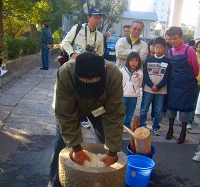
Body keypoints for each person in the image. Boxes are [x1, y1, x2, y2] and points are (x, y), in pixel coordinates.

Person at [48, 52, 125, 187]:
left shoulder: (113, 75)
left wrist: (112, 151)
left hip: (100, 107)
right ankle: (55, 183)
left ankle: (102, 181)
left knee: (108, 140)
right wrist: (76, 147)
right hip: (72, 105)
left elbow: (114, 115)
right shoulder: (66, 73)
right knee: (62, 142)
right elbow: (65, 114)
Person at [61, 6, 104, 128]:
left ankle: (86, 114)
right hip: (75, 67)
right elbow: (65, 42)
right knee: (73, 91)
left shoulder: (100, 36)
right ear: (88, 17)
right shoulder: (78, 28)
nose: (98, 20)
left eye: (99, 18)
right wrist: (73, 54)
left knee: (88, 92)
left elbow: (100, 54)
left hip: (90, 71)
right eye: (95, 17)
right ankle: (77, 116)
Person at [165, 26, 199, 144]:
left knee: (185, 109)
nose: (173, 41)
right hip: (174, 84)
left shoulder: (189, 50)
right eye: (170, 39)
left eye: (175, 38)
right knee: (171, 107)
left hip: (187, 85)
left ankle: (183, 132)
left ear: (181, 37)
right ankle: (170, 129)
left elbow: (196, 70)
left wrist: (187, 79)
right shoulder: (170, 51)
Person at [139, 37, 171, 136]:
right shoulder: (148, 60)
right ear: (153, 48)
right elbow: (145, 75)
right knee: (144, 109)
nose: (158, 49)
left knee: (158, 111)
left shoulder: (167, 61)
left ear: (164, 48)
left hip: (161, 91)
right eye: (156, 47)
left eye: (160, 48)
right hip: (148, 89)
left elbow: (167, 77)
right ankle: (142, 126)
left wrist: (158, 86)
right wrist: (151, 85)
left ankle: (156, 126)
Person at [120, 52, 143, 130]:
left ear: (138, 62)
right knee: (121, 112)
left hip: (133, 96)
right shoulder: (122, 70)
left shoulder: (140, 73)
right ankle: (120, 125)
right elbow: (119, 82)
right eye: (132, 61)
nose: (133, 63)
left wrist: (135, 90)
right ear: (128, 61)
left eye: (136, 61)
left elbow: (139, 84)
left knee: (130, 113)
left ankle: (126, 126)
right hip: (123, 95)